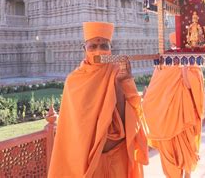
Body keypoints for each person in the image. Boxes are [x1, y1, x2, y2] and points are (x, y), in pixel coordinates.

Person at [48, 22, 148, 177]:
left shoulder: (118, 72)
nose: (98, 51)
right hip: (91, 163)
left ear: (111, 49)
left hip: (118, 156)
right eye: (93, 46)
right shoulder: (74, 80)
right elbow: (74, 129)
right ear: (84, 49)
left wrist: (121, 83)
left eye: (104, 46)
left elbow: (131, 120)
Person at [143, 32, 205, 178]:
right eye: (174, 47)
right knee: (170, 159)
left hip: (185, 117)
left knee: (188, 152)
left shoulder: (191, 62)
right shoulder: (163, 64)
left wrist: (185, 69)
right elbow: (153, 91)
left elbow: (193, 85)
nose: (176, 49)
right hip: (164, 119)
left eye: (179, 46)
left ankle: (187, 175)